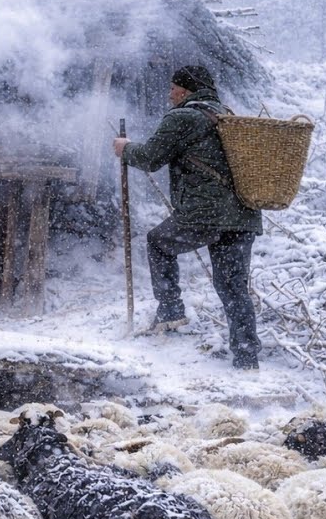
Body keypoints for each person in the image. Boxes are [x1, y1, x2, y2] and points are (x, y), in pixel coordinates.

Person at [112, 64, 263, 371]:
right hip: (242, 216)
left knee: (158, 242)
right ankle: (247, 358)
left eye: (172, 89)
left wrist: (125, 149)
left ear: (184, 90)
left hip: (204, 214)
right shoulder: (228, 116)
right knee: (233, 287)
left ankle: (170, 310)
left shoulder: (182, 117)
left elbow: (151, 157)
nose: (169, 95)